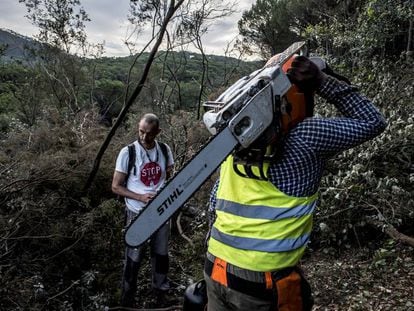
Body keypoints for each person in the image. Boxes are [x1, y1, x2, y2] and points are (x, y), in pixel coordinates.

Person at [204, 56, 387, 310]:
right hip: (261, 282)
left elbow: (214, 204)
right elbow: (373, 121)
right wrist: (322, 81)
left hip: (215, 268)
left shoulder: (232, 145)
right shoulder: (306, 137)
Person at [112, 113, 174, 308]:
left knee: (161, 255)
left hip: (161, 212)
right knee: (134, 257)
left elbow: (170, 177)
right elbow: (116, 186)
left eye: (149, 133)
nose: (144, 137)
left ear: (158, 132)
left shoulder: (164, 150)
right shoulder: (128, 152)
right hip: (136, 212)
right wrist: (140, 197)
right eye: (141, 132)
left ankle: (160, 293)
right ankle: (127, 298)